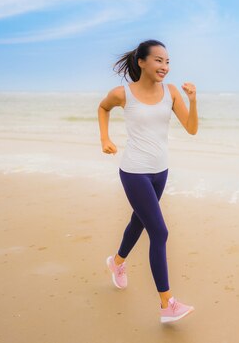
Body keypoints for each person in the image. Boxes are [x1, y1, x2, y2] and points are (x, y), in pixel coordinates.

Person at [97, 39, 198, 323]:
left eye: (167, 62)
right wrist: (105, 138)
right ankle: (167, 304)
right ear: (142, 62)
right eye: (158, 60)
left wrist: (193, 100)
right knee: (160, 232)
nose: (164, 67)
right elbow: (102, 108)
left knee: (139, 221)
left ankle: (116, 262)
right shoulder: (122, 94)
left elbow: (191, 129)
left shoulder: (172, 93)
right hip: (134, 171)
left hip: (160, 171)